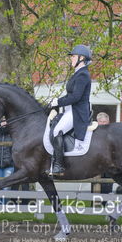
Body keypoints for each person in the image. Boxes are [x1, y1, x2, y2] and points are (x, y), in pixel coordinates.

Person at [49, 44, 92, 175]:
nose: (71, 59)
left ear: (81, 58)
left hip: (76, 112)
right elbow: (70, 95)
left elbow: (75, 97)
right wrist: (56, 101)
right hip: (69, 110)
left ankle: (59, 166)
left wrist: (58, 102)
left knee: (57, 131)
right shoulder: (77, 74)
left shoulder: (83, 75)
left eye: (73, 57)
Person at [96, 112, 112, 197]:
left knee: (108, 181)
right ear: (98, 122)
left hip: (108, 161)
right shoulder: (93, 132)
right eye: (101, 121)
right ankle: (95, 200)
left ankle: (106, 199)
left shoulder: (111, 133)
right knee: (96, 182)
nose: (103, 123)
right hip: (96, 162)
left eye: (105, 122)